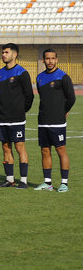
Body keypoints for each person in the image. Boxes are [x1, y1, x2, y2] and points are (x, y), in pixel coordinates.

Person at [34, 49, 76, 193]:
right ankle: (48, 183)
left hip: (58, 122)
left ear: (57, 59)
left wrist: (63, 111)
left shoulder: (63, 77)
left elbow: (71, 98)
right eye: (47, 58)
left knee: (61, 150)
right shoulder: (39, 77)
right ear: (43, 60)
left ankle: (64, 183)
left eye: (52, 58)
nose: (50, 61)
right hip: (43, 121)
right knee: (45, 151)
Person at [0, 43, 34, 188]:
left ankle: (23, 181)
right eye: (3, 52)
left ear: (14, 54)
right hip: (2, 117)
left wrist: (21, 110)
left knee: (20, 148)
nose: (3, 55)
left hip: (17, 118)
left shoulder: (22, 73)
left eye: (6, 52)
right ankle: (9, 179)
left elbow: (29, 95)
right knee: (6, 148)